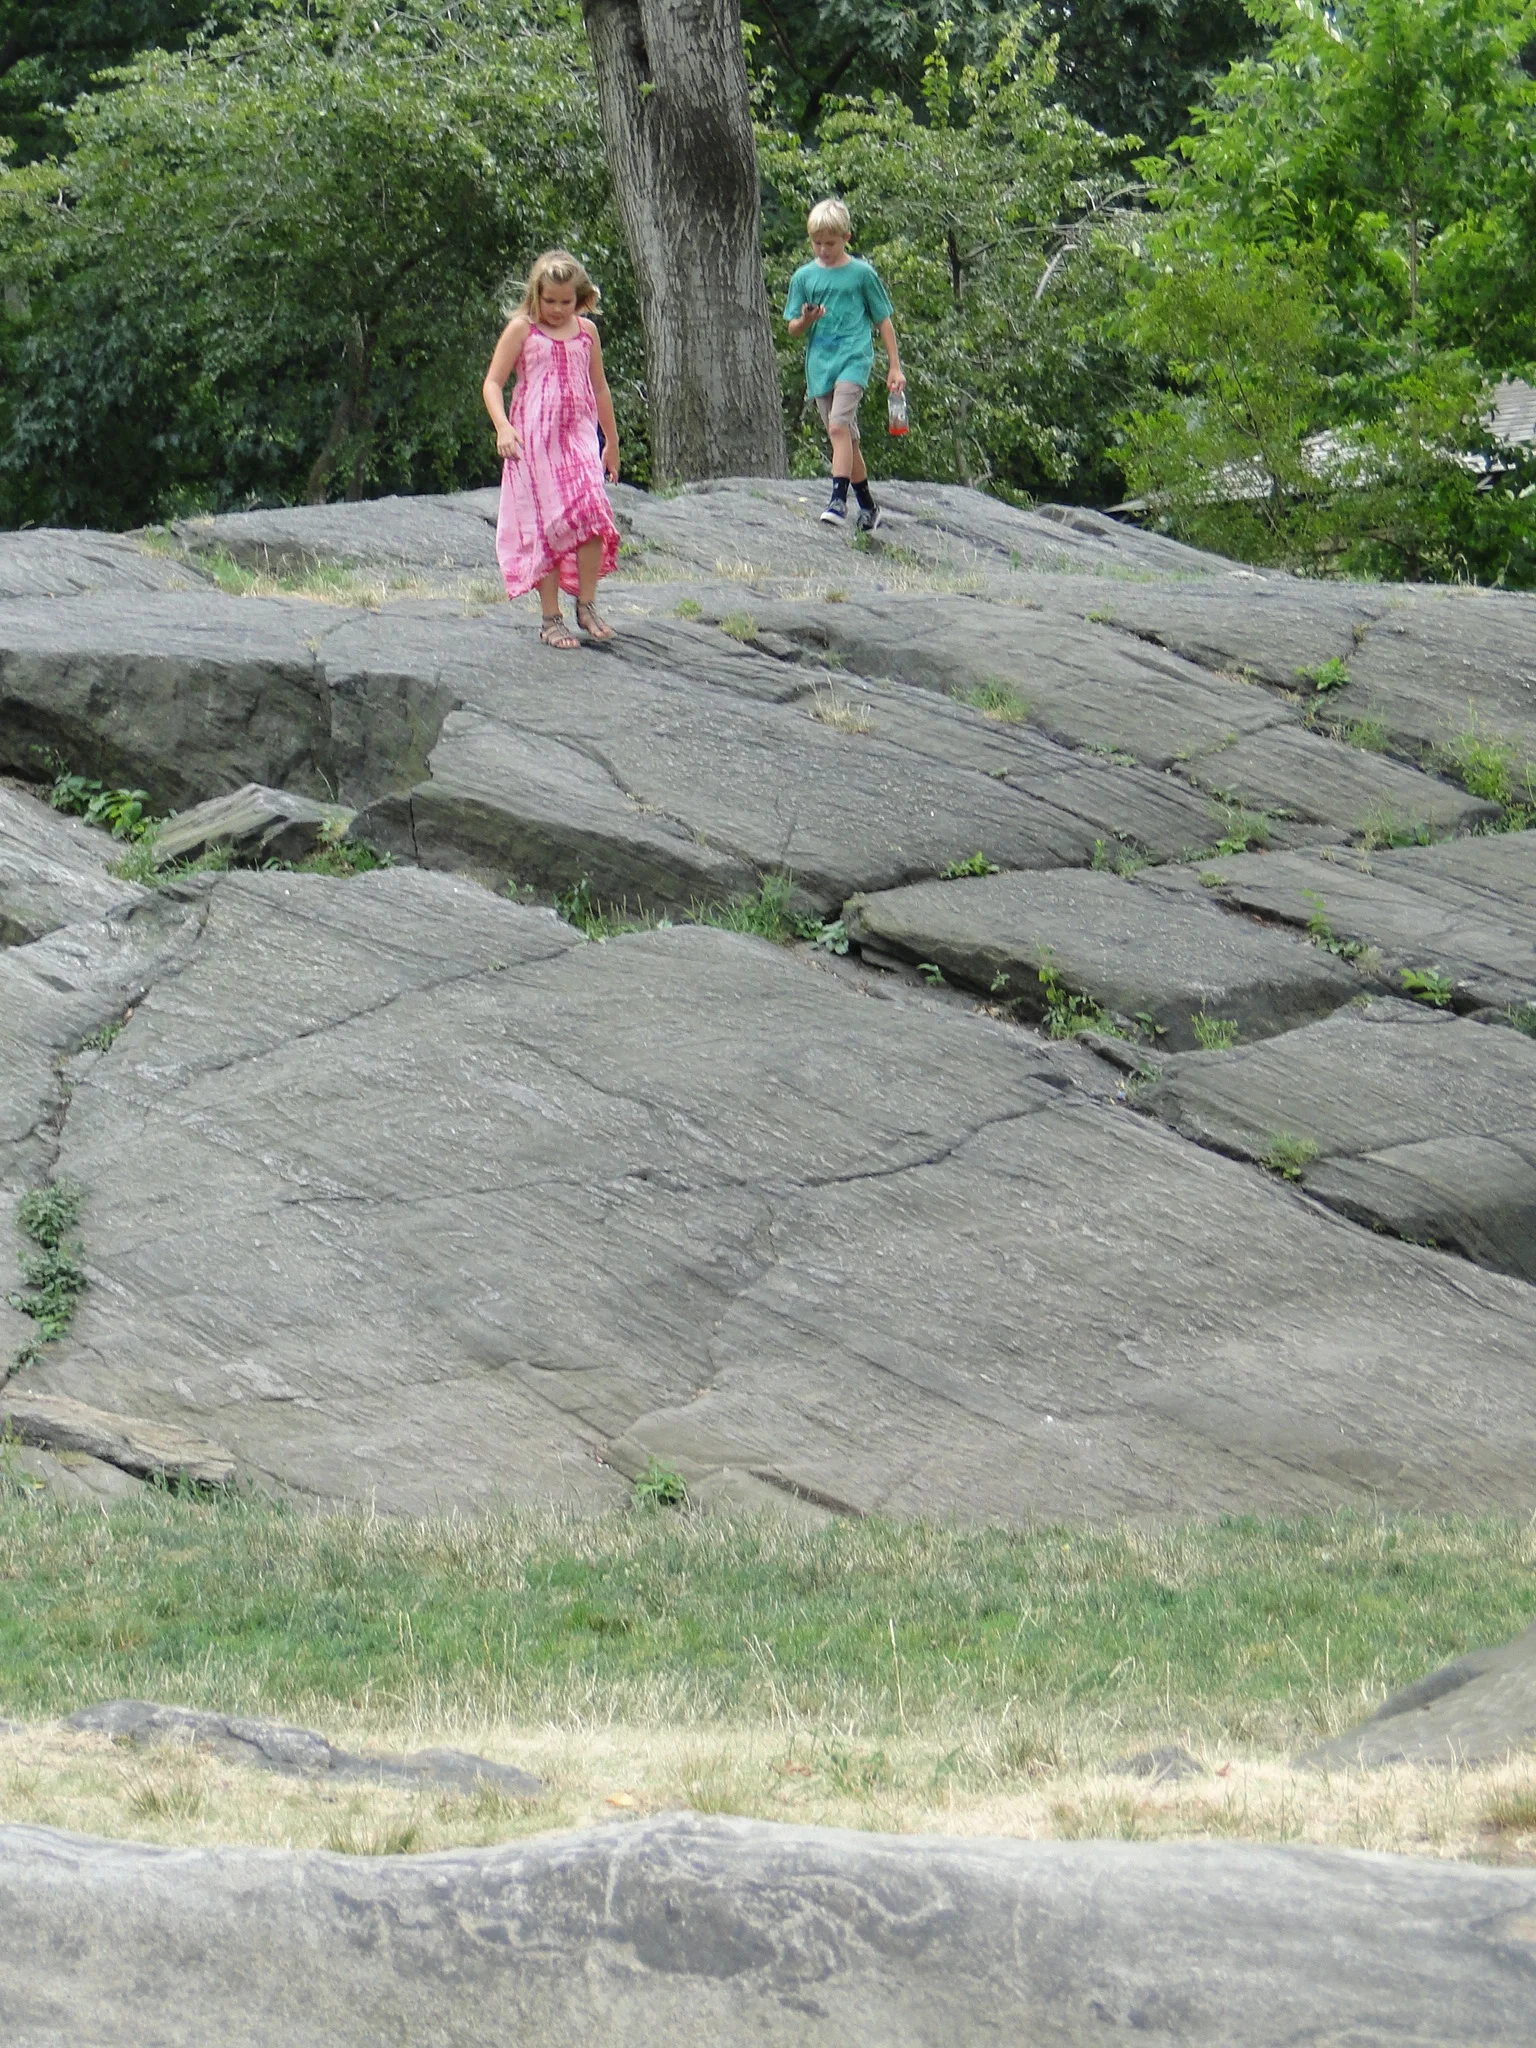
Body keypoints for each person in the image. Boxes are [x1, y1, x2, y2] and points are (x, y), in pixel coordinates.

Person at [482, 250, 622, 647]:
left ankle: (587, 604)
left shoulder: (586, 332)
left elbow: (599, 387)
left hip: (578, 435)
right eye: (550, 300)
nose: (558, 309)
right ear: (535, 295)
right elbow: (493, 383)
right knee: (548, 526)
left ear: (579, 299)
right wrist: (503, 427)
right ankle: (550, 618)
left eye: (567, 301)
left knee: (593, 511)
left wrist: (610, 440)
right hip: (534, 439)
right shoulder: (522, 330)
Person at [784, 199, 906, 533]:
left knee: (838, 426)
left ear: (846, 238)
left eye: (831, 243)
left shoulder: (861, 275)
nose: (823, 249)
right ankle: (868, 505)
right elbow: (792, 329)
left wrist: (894, 366)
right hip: (821, 363)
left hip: (854, 357)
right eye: (817, 243)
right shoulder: (803, 277)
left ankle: (838, 500)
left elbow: (883, 319)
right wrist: (806, 319)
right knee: (846, 440)